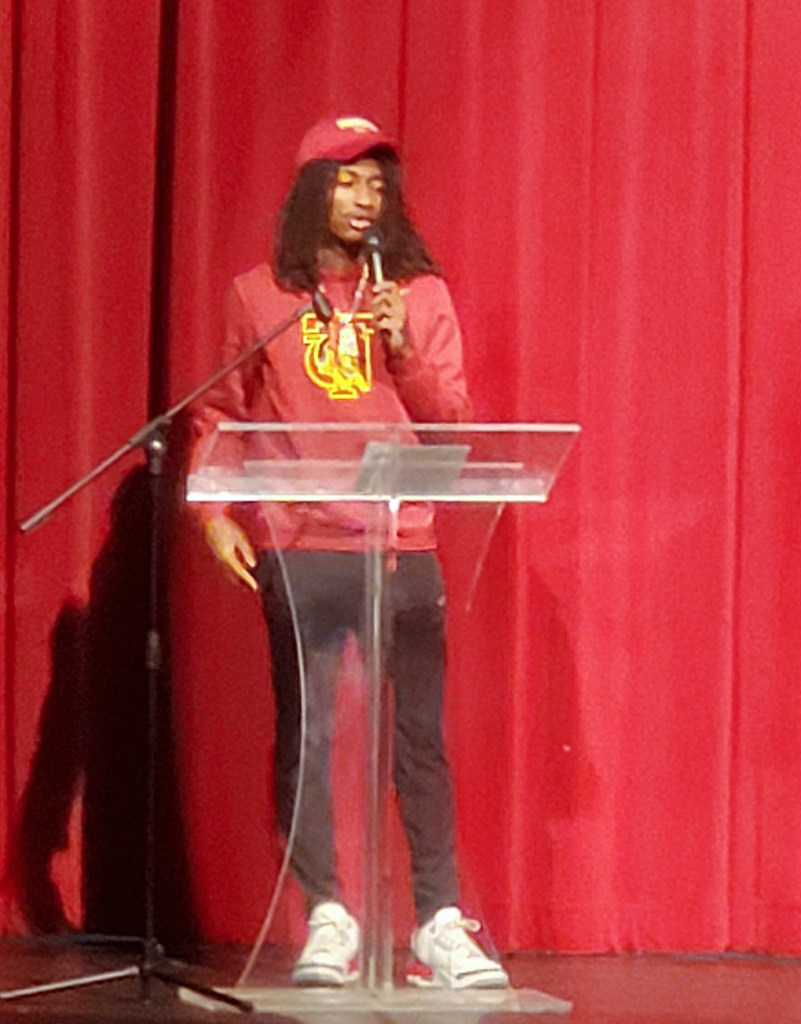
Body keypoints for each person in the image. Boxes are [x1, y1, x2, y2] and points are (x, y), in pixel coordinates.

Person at [190, 116, 508, 990]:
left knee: (419, 741)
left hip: (403, 547)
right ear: (310, 192)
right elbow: (220, 413)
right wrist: (215, 509)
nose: (366, 200)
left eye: (377, 185)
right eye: (348, 181)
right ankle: (327, 913)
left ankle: (438, 921)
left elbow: (451, 422)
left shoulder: (421, 294)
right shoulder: (260, 296)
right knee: (311, 735)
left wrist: (400, 341)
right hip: (305, 545)